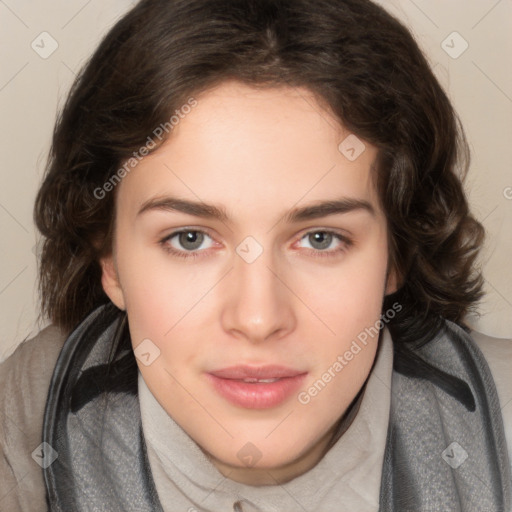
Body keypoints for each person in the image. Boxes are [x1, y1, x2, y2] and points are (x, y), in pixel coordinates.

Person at [1, 0, 511, 510]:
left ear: (397, 253)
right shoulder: (22, 426)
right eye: (190, 239)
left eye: (320, 239)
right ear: (108, 259)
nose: (258, 318)